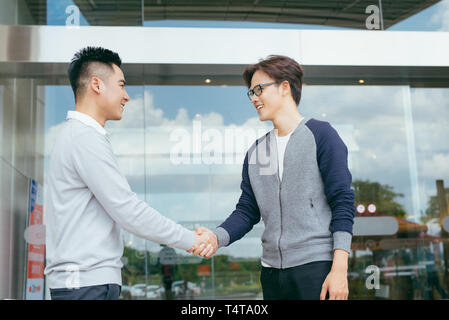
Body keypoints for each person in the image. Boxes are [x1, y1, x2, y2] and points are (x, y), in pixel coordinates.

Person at [44, 47, 212, 300]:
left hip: (88, 283)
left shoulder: (81, 136)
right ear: (97, 85)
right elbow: (128, 210)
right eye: (121, 85)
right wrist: (190, 239)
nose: (126, 96)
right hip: (85, 285)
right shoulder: (83, 137)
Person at [192, 55, 355, 300]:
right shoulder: (256, 152)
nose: (254, 98)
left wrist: (340, 269)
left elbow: (342, 202)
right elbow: (247, 211)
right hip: (271, 274)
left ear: (285, 87)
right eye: (251, 93)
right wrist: (216, 237)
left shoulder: (322, 135)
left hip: (315, 267)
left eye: (259, 89)